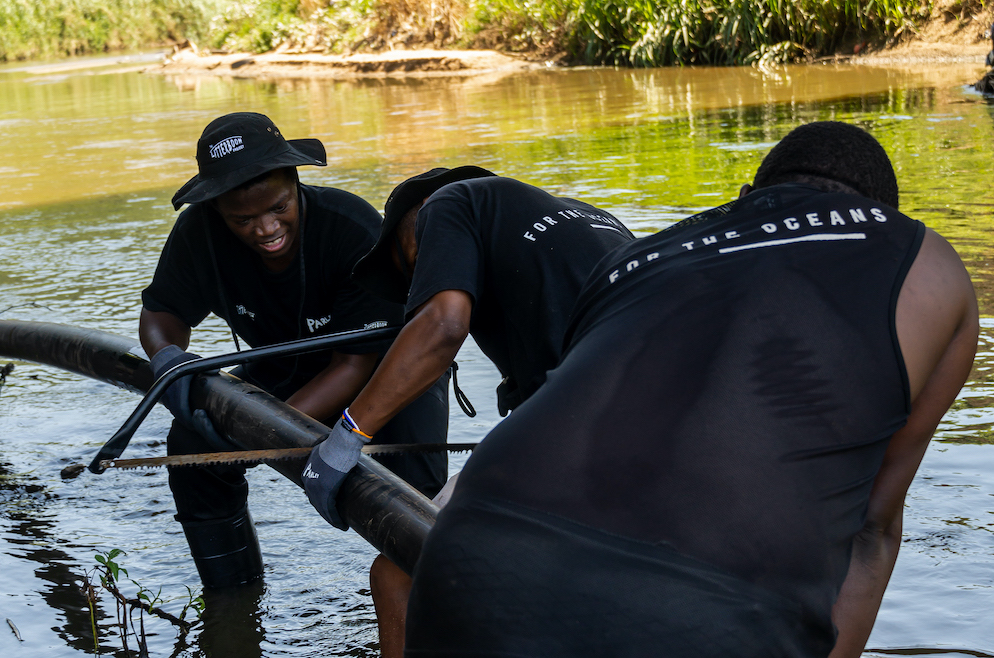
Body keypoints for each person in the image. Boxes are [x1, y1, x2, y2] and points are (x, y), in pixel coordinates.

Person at [401, 122, 979, 657]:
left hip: (473, 555)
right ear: (884, 215)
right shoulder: (923, 261)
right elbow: (871, 531)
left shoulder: (640, 256)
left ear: (747, 195)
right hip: (706, 610)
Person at [300, 167, 636, 656]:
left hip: (589, 421)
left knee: (399, 572)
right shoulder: (584, 218)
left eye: (411, 268)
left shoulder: (449, 203)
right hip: (666, 417)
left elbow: (442, 326)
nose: (423, 280)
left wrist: (347, 436)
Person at [140, 112, 448, 590]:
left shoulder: (350, 228)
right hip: (281, 365)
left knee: (413, 506)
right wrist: (168, 358)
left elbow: (354, 364)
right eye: (243, 220)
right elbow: (163, 311)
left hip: (383, 372)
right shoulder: (198, 234)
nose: (266, 229)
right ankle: (232, 595)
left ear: (296, 182)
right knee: (193, 447)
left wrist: (257, 435)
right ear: (217, 209)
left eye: (278, 208)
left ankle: (435, 607)